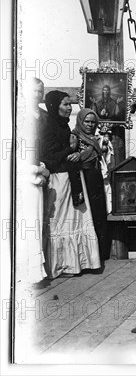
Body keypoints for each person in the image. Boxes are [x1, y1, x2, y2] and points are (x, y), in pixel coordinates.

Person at [39, 91, 101, 278]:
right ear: (54, 106)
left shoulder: (64, 126)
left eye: (69, 104)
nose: (69, 108)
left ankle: (76, 263)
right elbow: (49, 158)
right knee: (60, 222)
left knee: (75, 221)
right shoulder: (48, 127)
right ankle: (61, 265)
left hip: (71, 177)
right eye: (65, 104)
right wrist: (71, 148)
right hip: (59, 181)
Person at [20, 77, 50, 283]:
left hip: (41, 169)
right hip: (25, 171)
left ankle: (37, 273)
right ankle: (25, 273)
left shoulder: (45, 116)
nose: (38, 95)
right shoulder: (19, 115)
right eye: (34, 91)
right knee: (26, 224)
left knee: (38, 222)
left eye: (41, 91)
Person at [72, 108, 111, 262]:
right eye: (86, 121)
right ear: (80, 121)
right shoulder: (74, 136)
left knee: (99, 212)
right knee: (85, 214)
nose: (89, 125)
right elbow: (72, 157)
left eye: (93, 122)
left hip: (95, 177)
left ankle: (101, 253)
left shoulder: (96, 138)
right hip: (82, 177)